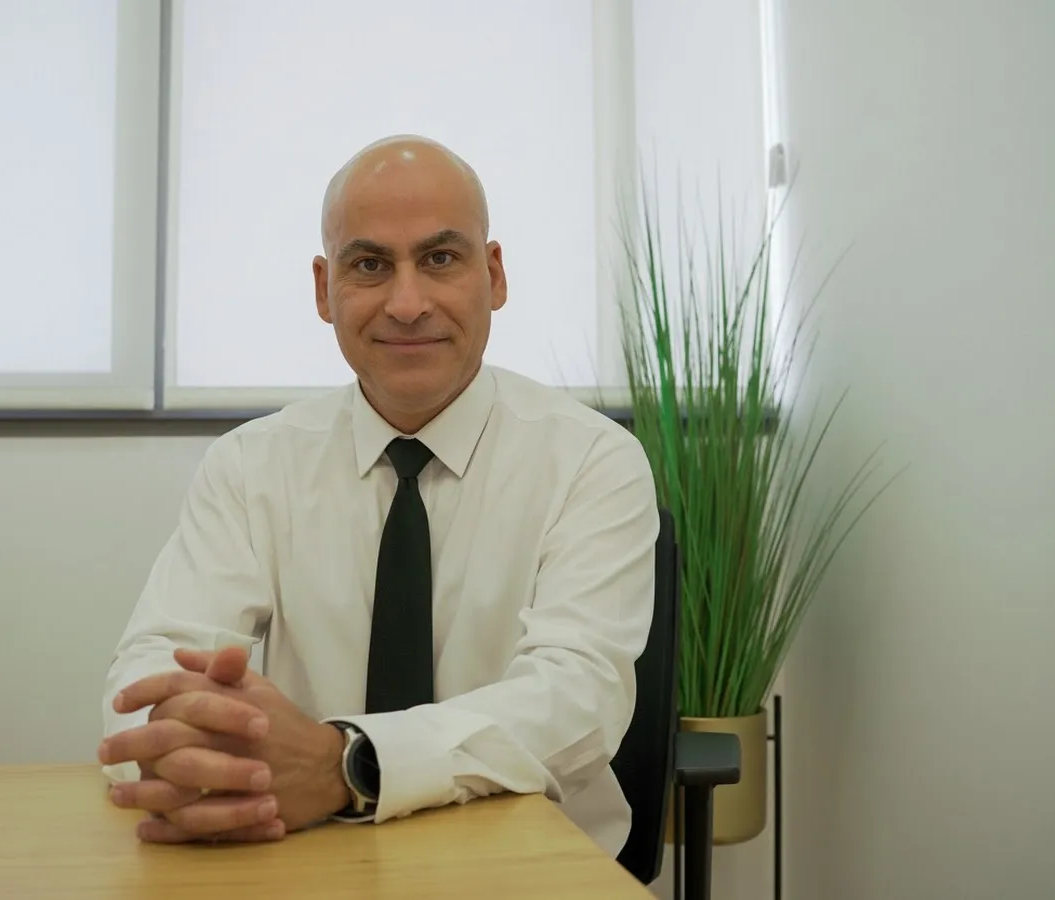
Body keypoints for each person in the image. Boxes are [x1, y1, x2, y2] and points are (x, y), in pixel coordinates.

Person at [98, 134, 659, 857]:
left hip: (531, 862)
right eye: (369, 265)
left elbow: (576, 699)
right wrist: (196, 750)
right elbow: (152, 667)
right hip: (307, 858)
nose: (407, 303)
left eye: (441, 259)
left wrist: (350, 764)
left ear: (494, 275)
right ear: (323, 289)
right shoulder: (250, 466)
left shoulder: (592, 461)